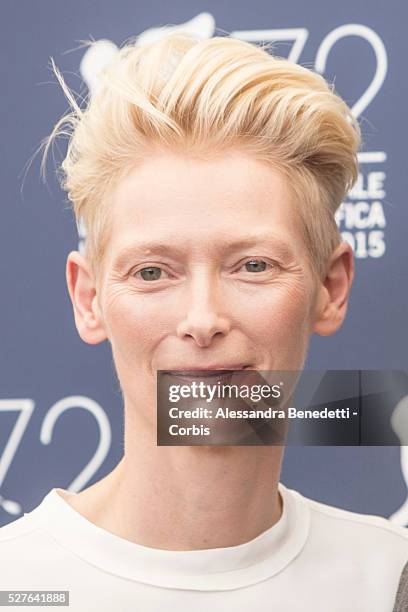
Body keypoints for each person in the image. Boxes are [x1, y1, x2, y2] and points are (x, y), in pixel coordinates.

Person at [1, 32, 407, 611]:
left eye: (253, 265)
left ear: (330, 287)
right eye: (151, 272)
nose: (202, 319)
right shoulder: (11, 580)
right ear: (88, 298)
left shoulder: (389, 576)